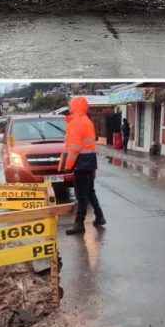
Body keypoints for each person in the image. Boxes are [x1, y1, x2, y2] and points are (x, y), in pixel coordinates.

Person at [60, 96, 105, 234]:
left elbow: (74, 148)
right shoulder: (86, 121)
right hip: (89, 163)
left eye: (70, 106)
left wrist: (67, 165)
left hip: (81, 164)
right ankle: (99, 217)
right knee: (90, 192)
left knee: (81, 196)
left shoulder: (76, 123)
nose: (69, 108)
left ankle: (79, 223)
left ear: (75, 107)